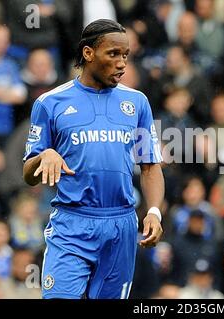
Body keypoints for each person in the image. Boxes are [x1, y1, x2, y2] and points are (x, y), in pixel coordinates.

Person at [22, 19, 164, 299]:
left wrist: (154, 211)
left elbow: (150, 165)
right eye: (113, 54)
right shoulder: (50, 103)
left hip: (121, 225)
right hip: (71, 223)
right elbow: (28, 173)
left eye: (125, 55)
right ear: (88, 53)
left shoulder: (137, 103)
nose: (122, 63)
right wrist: (45, 156)